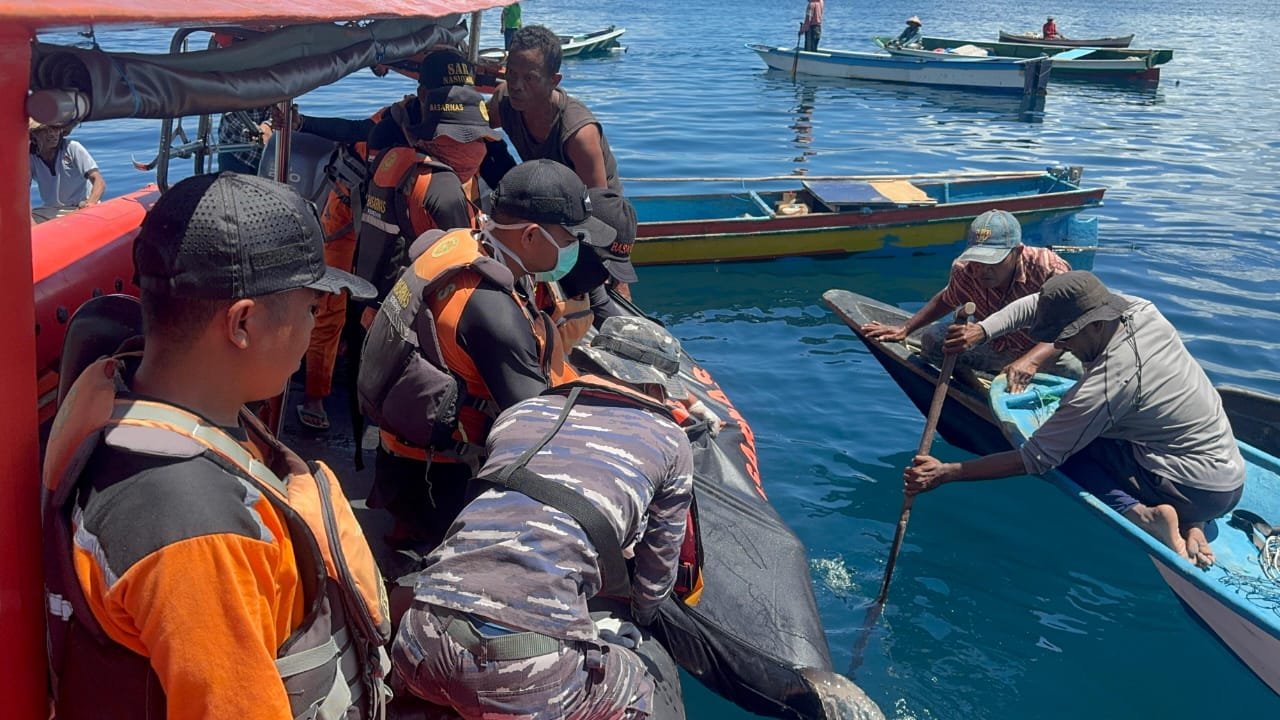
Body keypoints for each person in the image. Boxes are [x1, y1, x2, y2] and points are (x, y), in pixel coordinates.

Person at [41, 172, 393, 718]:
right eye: (310, 308)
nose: (317, 324)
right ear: (243, 323)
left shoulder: (129, 392)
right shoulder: (199, 532)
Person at [391, 315, 694, 720]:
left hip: (418, 643)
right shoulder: (671, 441)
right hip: (527, 675)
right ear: (656, 387)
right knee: (639, 685)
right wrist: (640, 618)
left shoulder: (521, 412)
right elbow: (658, 571)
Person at [904, 271, 1246, 569]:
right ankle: (1192, 522)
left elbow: (1035, 459)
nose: (1062, 345)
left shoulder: (1109, 382)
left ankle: (1144, 516)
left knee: (1068, 453)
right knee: (1094, 432)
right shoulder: (1140, 310)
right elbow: (1034, 304)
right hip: (1227, 476)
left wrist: (947, 473)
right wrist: (983, 331)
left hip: (1194, 488)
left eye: (1068, 336)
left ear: (1095, 324)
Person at [360, 159, 611, 552]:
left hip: (397, 460)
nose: (577, 248)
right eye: (572, 238)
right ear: (530, 236)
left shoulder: (462, 241)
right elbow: (537, 428)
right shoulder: (492, 312)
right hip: (437, 483)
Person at [862, 209, 1080, 391]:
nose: (982, 270)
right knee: (933, 341)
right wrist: (906, 329)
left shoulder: (1049, 268)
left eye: (993, 262)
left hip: (1044, 352)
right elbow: (947, 299)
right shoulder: (964, 269)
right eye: (977, 261)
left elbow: (1069, 328)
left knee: (1078, 371)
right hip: (996, 346)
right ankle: (977, 393)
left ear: (1017, 252)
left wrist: (1030, 361)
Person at [356, 83, 503, 302]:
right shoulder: (444, 190)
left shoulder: (394, 159)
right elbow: (465, 269)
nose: (480, 149)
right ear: (445, 137)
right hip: (405, 307)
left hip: (366, 295)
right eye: (473, 139)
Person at [487, 25, 623, 192]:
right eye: (511, 73)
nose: (516, 85)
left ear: (554, 81)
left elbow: (600, 207)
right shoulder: (504, 101)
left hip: (593, 210)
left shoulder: (579, 134)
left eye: (529, 78)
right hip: (544, 197)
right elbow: (474, 127)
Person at [29, 118, 105, 219]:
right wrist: (29, 220)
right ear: (34, 134)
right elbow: (22, 193)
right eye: (45, 130)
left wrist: (90, 204)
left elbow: (99, 181)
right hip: (51, 211)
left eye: (56, 128)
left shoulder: (72, 148)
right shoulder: (29, 156)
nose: (52, 134)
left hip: (80, 207)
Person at [216, 108, 272, 174]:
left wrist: (269, 125)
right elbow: (226, 107)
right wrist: (255, 131)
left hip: (268, 156)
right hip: (234, 152)